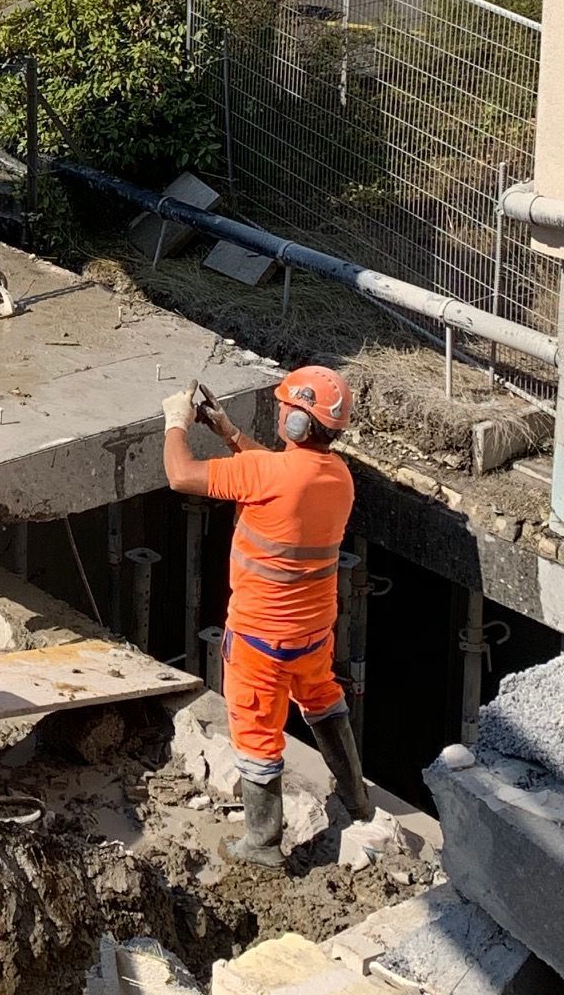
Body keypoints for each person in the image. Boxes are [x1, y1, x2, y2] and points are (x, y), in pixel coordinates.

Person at [161, 366, 373, 869]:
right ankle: (357, 802)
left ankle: (261, 843)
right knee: (322, 698)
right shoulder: (339, 478)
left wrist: (176, 423)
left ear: (298, 422)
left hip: (260, 639)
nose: (280, 412)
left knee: (256, 731)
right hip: (313, 632)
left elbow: (180, 474)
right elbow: (280, 472)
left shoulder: (267, 474)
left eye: (285, 407)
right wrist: (230, 433)